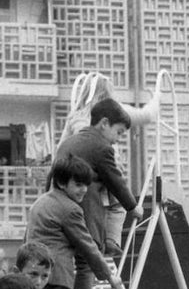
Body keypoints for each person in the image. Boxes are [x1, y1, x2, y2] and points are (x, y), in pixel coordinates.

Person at [25, 155, 123, 289]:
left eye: (86, 185)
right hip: (56, 274)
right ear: (61, 182)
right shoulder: (70, 209)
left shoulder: (40, 203)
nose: (84, 190)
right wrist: (109, 276)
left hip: (33, 273)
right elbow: (87, 245)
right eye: (78, 184)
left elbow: (26, 240)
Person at [57, 72, 161, 256]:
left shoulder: (76, 114)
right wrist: (157, 97)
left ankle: (101, 239)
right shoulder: (115, 111)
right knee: (117, 204)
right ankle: (112, 239)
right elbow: (147, 115)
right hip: (107, 167)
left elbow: (61, 146)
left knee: (93, 205)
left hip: (78, 175)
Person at [54, 97, 139, 258]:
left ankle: (110, 241)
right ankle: (111, 240)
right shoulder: (102, 147)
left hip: (57, 207)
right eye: (118, 132)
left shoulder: (67, 142)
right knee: (88, 263)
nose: (118, 138)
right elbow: (115, 180)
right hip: (85, 210)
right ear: (104, 123)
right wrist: (133, 207)